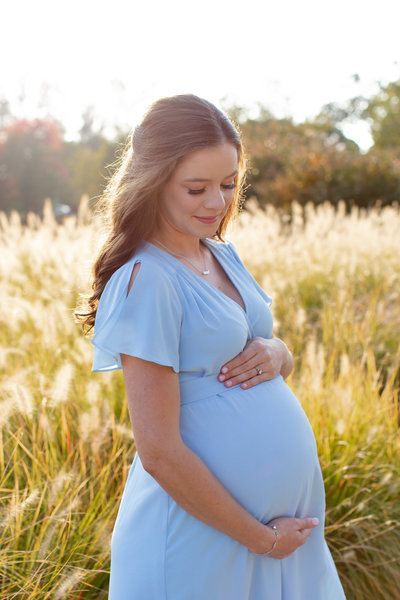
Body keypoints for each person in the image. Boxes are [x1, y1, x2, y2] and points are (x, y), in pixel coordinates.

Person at [77, 94, 347, 599]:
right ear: (153, 181)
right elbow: (158, 450)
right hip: (206, 540)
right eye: (196, 188)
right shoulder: (147, 279)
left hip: (278, 542)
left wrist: (279, 352)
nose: (217, 203)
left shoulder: (220, 254)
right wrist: (262, 539)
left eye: (228, 184)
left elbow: (257, 348)